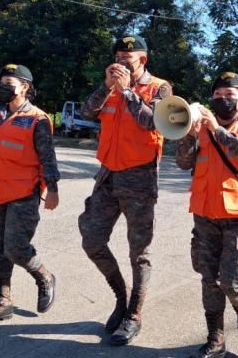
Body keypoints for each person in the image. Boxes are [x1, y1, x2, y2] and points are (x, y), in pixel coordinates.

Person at [77, 35, 173, 345]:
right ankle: (122, 295)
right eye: (117, 56)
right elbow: (85, 113)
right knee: (92, 239)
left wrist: (128, 91)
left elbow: (151, 123)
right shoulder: (110, 88)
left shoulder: (160, 88)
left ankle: (134, 314)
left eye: (126, 58)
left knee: (138, 252)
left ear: (142, 60)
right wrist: (107, 87)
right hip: (108, 175)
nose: (120, 62)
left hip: (140, 179)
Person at [175, 72, 238, 358]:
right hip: (205, 215)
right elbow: (183, 163)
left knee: (233, 283)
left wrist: (217, 130)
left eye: (229, 95)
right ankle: (215, 339)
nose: (223, 99)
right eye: (217, 95)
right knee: (210, 281)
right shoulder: (200, 129)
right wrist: (190, 135)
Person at [0, 63, 60, 326]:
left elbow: (48, 158)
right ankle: (2, 303)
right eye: (2, 83)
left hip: (22, 195)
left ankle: (44, 277)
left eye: (9, 83)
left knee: (16, 248)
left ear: (24, 87)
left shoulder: (38, 119)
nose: (3, 87)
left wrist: (53, 190)